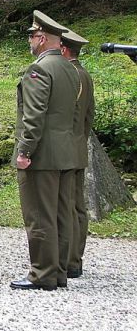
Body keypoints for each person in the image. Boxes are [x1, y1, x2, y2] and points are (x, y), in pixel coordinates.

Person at [10, 10, 81, 291]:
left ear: (42, 37)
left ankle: (42, 273)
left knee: (39, 214)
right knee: (62, 215)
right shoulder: (71, 69)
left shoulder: (38, 69)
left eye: (32, 35)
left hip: (42, 155)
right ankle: (59, 271)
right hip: (65, 153)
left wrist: (25, 150)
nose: (29, 40)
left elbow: (34, 115)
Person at [61, 29, 95, 279]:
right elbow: (88, 117)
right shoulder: (85, 74)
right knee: (77, 206)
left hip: (66, 149)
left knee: (68, 206)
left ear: (63, 49)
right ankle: (75, 258)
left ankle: (70, 259)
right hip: (79, 145)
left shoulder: (70, 75)